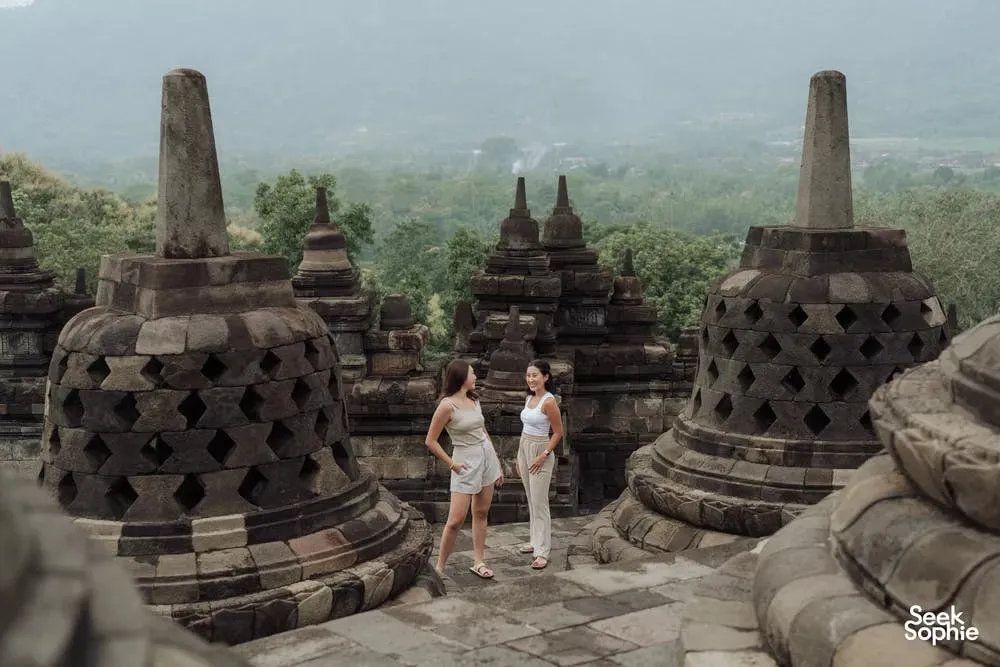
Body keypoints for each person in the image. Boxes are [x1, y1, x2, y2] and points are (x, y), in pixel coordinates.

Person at [425, 359, 503, 579]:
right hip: (464, 461)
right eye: (472, 373)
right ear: (461, 377)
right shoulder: (447, 405)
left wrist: (496, 463)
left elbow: (483, 430)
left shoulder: (474, 400)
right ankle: (439, 567)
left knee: (481, 512)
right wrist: (452, 464)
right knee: (456, 519)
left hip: (486, 456)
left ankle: (479, 561)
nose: (476, 376)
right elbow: (430, 441)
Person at [515, 359, 564, 570]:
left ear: (545, 377)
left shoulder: (549, 401)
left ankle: (542, 551)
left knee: (540, 502)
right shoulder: (529, 398)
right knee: (531, 499)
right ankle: (535, 542)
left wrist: (543, 454)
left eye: (535, 375)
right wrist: (520, 457)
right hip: (525, 447)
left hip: (541, 450)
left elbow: (559, 433)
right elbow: (525, 428)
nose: (531, 379)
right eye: (528, 375)